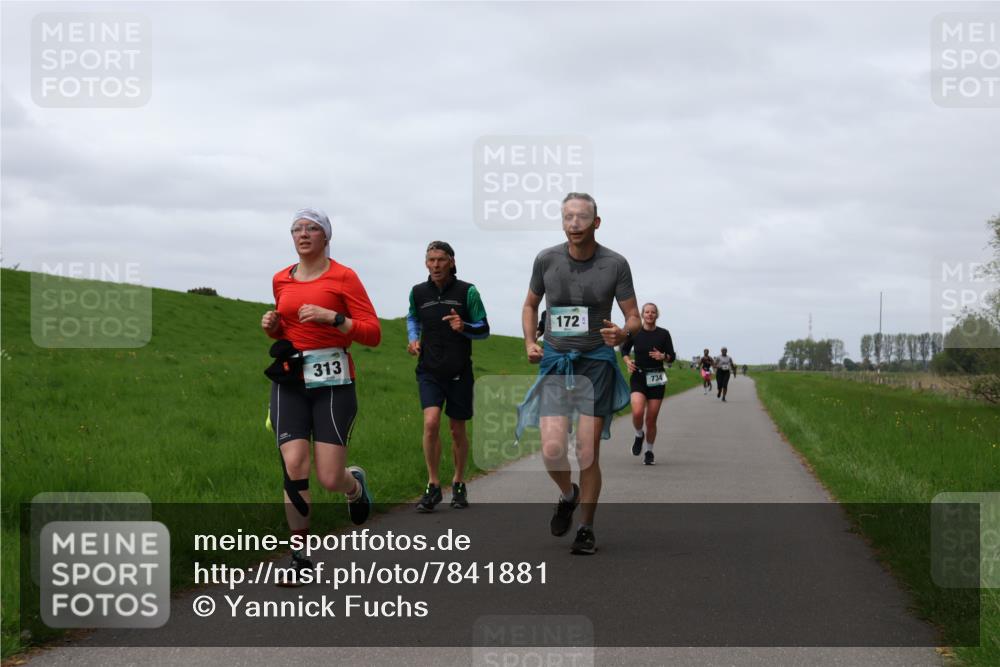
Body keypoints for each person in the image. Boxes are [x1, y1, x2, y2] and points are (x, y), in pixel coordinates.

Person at [261, 207, 381, 584]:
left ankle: (354, 486)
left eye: (312, 228)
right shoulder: (281, 279)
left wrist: (334, 318)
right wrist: (274, 327)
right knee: (295, 464)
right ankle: (299, 557)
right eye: (297, 229)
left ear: (326, 236)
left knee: (329, 477)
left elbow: (372, 333)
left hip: (333, 383)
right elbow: (289, 333)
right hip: (290, 380)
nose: (303, 234)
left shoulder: (345, 277)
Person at [517, 192, 639, 555]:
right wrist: (528, 342)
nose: (574, 224)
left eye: (582, 218)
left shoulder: (615, 264)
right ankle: (568, 495)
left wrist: (623, 333)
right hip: (556, 360)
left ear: (596, 222)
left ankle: (586, 527)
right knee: (552, 448)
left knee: (587, 452)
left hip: (595, 363)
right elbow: (530, 304)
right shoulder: (546, 259)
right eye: (568, 217)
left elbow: (632, 315)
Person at [407, 241, 489, 512]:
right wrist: (413, 338)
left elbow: (484, 329)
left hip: (459, 371)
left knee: (457, 430)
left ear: (452, 262)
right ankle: (432, 485)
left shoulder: (468, 291)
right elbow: (413, 318)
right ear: (425, 263)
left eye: (441, 260)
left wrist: (463, 325)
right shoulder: (418, 292)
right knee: (430, 423)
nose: (436, 265)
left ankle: (458, 482)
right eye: (431, 260)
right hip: (429, 369)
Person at [620, 303, 675, 465]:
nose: (650, 314)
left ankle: (649, 451)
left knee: (651, 419)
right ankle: (639, 434)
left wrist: (663, 356)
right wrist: (628, 361)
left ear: (657, 315)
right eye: (647, 312)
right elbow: (624, 350)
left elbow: (672, 356)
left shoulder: (664, 334)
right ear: (643, 315)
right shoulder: (636, 332)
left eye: (653, 312)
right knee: (637, 412)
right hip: (639, 375)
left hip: (657, 377)